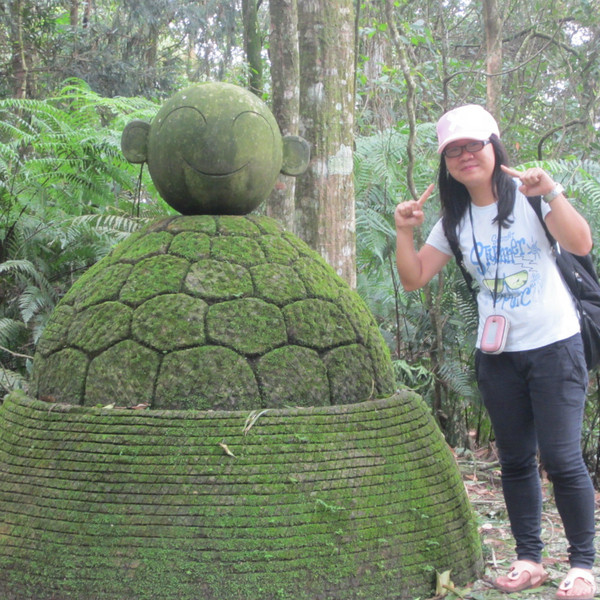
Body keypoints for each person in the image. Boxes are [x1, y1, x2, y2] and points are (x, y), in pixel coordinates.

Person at [394, 104, 596, 599]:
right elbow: (415, 277)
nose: (465, 156)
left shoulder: (530, 197)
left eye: (473, 145)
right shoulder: (454, 219)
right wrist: (404, 231)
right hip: (498, 354)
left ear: (494, 147)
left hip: (554, 344)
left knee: (562, 457)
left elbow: (581, 242)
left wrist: (550, 192)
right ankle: (529, 560)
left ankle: (584, 566)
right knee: (515, 460)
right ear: (445, 163)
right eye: (453, 150)